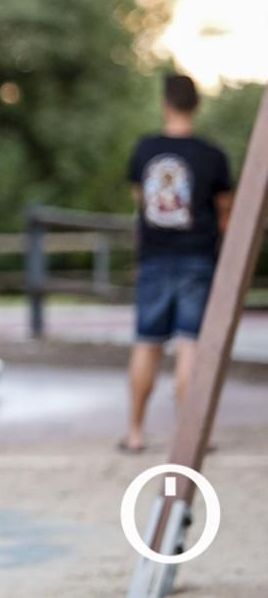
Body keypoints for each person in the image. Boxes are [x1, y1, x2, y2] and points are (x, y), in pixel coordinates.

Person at [121, 74, 233, 454]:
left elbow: (142, 203)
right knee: (191, 347)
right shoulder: (212, 156)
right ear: (196, 105)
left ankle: (135, 432)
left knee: (146, 344)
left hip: (154, 257)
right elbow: (226, 214)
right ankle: (190, 436)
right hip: (198, 258)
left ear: (165, 103)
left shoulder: (145, 149)